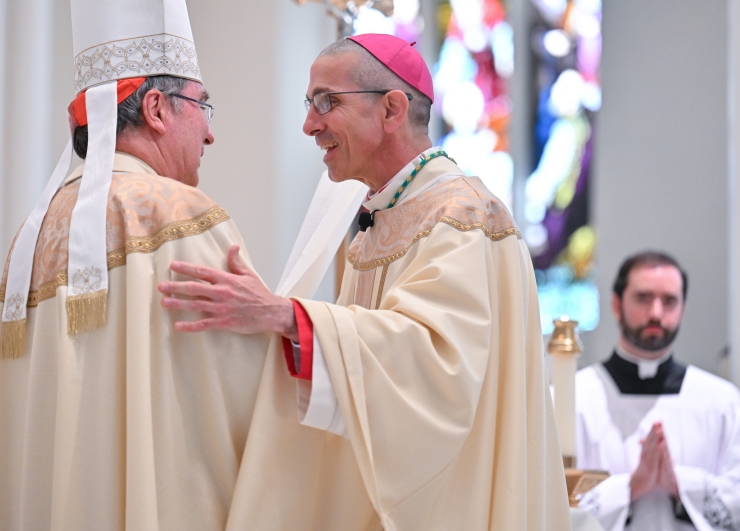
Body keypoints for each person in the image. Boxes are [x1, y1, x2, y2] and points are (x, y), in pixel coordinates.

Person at [159, 34, 572, 530]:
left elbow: (437, 369)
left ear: (392, 109)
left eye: (325, 102)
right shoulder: (383, 220)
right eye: (309, 104)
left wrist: (286, 315)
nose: (309, 125)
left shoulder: (461, 217)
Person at [0, 0, 272, 530]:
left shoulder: (35, 234)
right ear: (156, 109)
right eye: (202, 105)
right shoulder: (180, 215)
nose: (210, 133)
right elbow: (248, 396)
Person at [575, 251, 740, 530]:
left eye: (669, 301)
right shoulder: (573, 398)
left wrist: (681, 484)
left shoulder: (722, 401)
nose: (656, 313)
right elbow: (550, 505)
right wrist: (629, 488)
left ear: (683, 309)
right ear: (616, 305)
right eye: (643, 298)